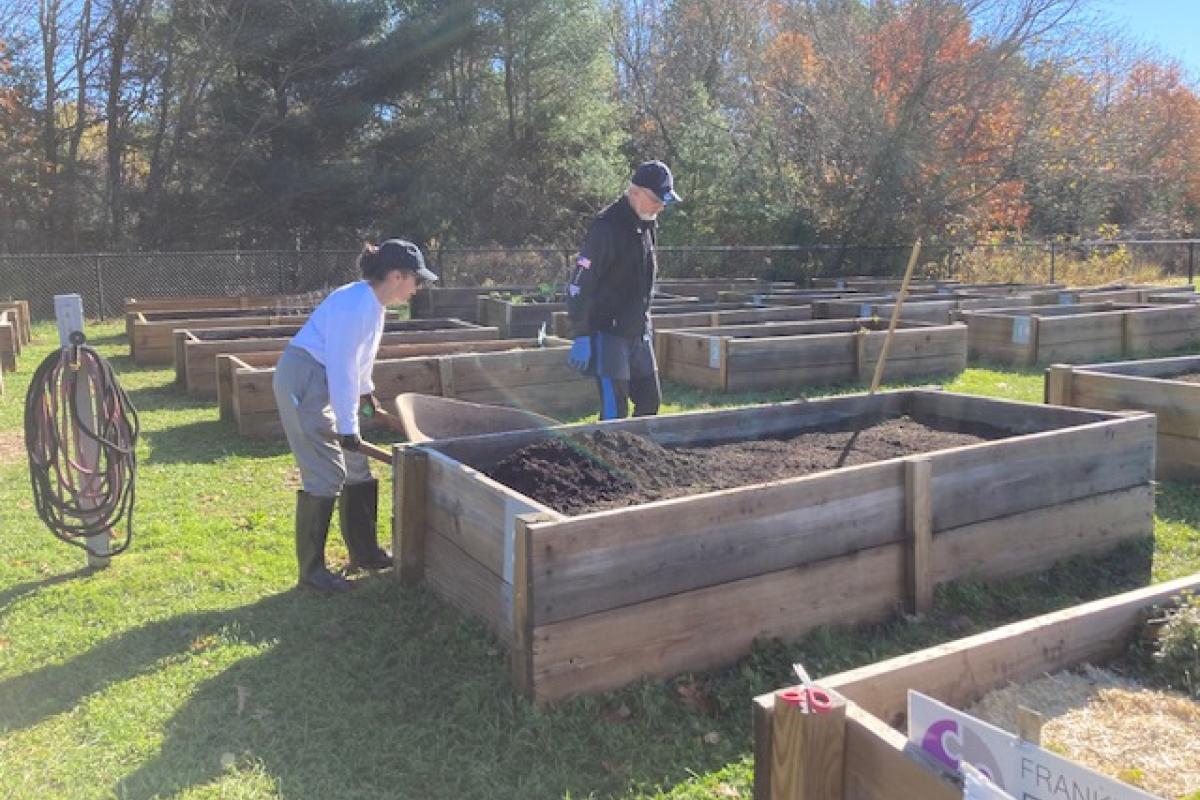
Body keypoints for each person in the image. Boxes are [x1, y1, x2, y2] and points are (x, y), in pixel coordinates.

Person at [272, 238, 438, 592]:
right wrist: (349, 429)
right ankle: (312, 573)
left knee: (357, 467)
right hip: (306, 379)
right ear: (396, 275)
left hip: (326, 376)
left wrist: (368, 403)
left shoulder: (373, 304)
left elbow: (360, 365)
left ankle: (365, 553)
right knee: (327, 471)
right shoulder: (355, 307)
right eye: (416, 280)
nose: (417, 288)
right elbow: (341, 369)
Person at [565, 160, 681, 420]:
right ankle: (603, 459)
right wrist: (581, 333)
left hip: (639, 330)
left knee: (650, 401)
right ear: (635, 192)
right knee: (614, 411)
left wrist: (644, 324)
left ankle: (639, 458)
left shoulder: (648, 223)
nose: (661, 207)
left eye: (665, 201)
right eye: (656, 200)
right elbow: (579, 283)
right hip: (609, 333)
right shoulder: (605, 228)